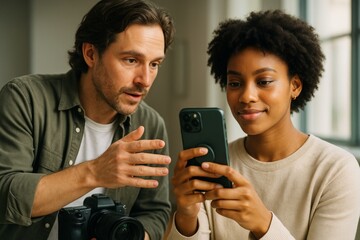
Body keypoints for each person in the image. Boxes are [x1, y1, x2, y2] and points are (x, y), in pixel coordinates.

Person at [166, 10, 360, 240]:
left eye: (264, 81)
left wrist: (263, 224)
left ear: (295, 86)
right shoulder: (214, 165)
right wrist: (186, 216)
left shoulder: (336, 170)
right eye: (235, 83)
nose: (246, 96)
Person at [0, 0, 175, 239]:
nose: (145, 80)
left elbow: (154, 212)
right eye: (131, 60)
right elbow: (5, 193)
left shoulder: (151, 124)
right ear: (91, 54)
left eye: (154, 64)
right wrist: (95, 171)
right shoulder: (25, 97)